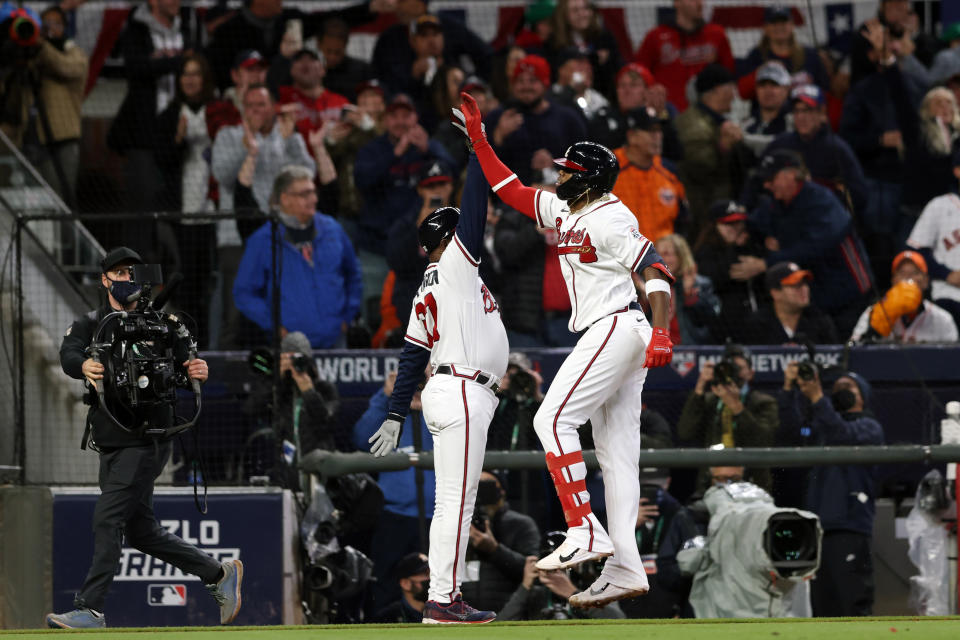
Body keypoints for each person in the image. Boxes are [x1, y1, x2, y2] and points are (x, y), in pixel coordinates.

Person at [457, 91, 676, 608]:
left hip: (617, 325)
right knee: (618, 455)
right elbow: (509, 189)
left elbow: (657, 269)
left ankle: (585, 530)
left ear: (590, 179)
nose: (561, 175)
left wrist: (663, 329)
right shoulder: (564, 206)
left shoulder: (610, 217)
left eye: (570, 170)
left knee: (550, 420)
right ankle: (624, 565)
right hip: (614, 328)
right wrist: (481, 142)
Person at [49, 247, 241, 629]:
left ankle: (90, 608)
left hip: (149, 437)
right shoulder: (92, 323)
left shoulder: (162, 324)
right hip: (111, 439)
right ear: (104, 279)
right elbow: (68, 353)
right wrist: (83, 364)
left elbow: (187, 368)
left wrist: (195, 370)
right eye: (118, 273)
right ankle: (218, 574)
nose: (125, 280)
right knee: (140, 531)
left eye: (131, 273)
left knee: (107, 518)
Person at [366, 146, 508, 623]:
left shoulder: (432, 282)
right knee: (457, 503)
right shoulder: (453, 266)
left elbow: (411, 359)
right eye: (461, 231)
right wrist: (477, 152)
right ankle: (444, 599)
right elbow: (476, 210)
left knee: (452, 501)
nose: (475, 234)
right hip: (464, 391)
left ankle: (444, 597)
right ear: (447, 239)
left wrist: (393, 412)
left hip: (452, 391)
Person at [779, 365, 884, 616]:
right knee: (822, 605)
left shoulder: (869, 427)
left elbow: (841, 434)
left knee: (851, 601)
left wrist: (817, 398)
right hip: (815, 528)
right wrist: (789, 389)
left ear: (862, 396)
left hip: (848, 526)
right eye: (836, 388)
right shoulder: (820, 427)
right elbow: (792, 431)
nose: (840, 391)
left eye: (848, 387)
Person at [746, 149, 874, 337]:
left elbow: (818, 245)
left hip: (848, 294)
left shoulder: (822, 200)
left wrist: (768, 262)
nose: (766, 185)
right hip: (814, 295)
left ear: (791, 175)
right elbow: (756, 222)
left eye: (771, 179)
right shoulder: (776, 203)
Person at [233, 165, 362, 348]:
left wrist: (347, 317)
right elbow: (244, 292)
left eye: (313, 192)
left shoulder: (333, 229)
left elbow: (353, 274)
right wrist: (274, 327)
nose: (314, 199)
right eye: (305, 194)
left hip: (335, 341)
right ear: (285, 199)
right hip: (290, 347)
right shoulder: (263, 240)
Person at [353, 93, 455, 324]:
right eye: (394, 116)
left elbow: (453, 174)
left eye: (406, 116)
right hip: (376, 245)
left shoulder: (429, 148)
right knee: (377, 317)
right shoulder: (374, 149)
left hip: (414, 247)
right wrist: (394, 154)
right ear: (385, 120)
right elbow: (362, 180)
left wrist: (428, 149)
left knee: (417, 313)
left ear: (415, 118)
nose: (400, 121)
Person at [352, 369, 436, 616]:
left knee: (439, 582)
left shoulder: (442, 408)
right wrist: (388, 394)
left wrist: (434, 395)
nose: (417, 384)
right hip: (393, 515)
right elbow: (361, 438)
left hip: (437, 515)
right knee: (386, 583)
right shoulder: (391, 412)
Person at [153, 53, 218, 347]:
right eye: (185, 74)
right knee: (186, 281)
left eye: (196, 73)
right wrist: (177, 141)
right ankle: (188, 344)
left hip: (216, 210)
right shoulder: (170, 115)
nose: (190, 80)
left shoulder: (218, 111)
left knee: (210, 279)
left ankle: (209, 343)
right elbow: (162, 161)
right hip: (183, 214)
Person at [241, 331, 340, 490]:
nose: (294, 365)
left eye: (298, 359)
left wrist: (309, 392)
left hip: (319, 471)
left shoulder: (324, 389)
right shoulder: (281, 391)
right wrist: (277, 378)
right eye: (289, 358)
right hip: (286, 473)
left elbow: (327, 423)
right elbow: (251, 409)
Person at [676, 344, 778, 492]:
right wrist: (700, 387)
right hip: (713, 481)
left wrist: (735, 405)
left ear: (751, 373)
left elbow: (762, 440)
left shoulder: (764, 402)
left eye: (740, 368)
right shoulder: (710, 400)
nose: (735, 372)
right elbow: (685, 432)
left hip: (752, 481)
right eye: (730, 367)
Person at [758, 84, 867, 216]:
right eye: (797, 111)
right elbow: (757, 182)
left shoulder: (837, 149)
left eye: (808, 110)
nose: (801, 117)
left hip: (823, 221)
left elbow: (860, 195)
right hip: (784, 220)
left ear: (822, 113)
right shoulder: (781, 143)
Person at [484, 54, 588, 186]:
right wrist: (498, 136)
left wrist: (555, 164)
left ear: (545, 84)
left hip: (559, 197)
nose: (526, 86)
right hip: (509, 198)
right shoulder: (499, 116)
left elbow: (584, 164)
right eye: (520, 81)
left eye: (533, 81)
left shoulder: (568, 118)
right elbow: (481, 165)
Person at [676, 63, 745, 235]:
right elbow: (698, 170)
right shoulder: (693, 125)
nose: (734, 94)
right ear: (717, 90)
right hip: (702, 210)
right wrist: (723, 147)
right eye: (730, 87)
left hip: (715, 205)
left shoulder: (716, 120)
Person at [460, 471, 541, 613]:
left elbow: (534, 572)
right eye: (475, 486)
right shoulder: (457, 526)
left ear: (501, 491)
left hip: (510, 613)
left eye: (487, 486)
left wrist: (494, 550)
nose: (480, 491)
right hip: (464, 617)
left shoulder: (520, 524)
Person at [634, 0, 734, 111]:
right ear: (677, 2)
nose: (699, 3)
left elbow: (729, 76)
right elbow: (638, 75)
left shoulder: (716, 34)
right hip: (667, 114)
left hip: (706, 114)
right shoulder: (656, 36)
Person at [693, 199, 768, 343]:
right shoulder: (704, 253)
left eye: (738, 222)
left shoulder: (752, 248)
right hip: (721, 328)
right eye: (728, 223)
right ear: (714, 226)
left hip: (752, 325)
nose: (736, 228)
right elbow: (721, 274)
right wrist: (736, 251)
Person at [611, 107, 688, 242]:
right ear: (631, 136)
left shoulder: (669, 171)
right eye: (651, 131)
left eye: (659, 130)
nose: (657, 137)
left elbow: (683, 221)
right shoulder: (609, 170)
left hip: (662, 259)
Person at [850, 250, 958, 344]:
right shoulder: (872, 312)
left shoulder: (942, 319)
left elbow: (952, 361)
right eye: (902, 273)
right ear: (893, 281)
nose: (908, 278)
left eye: (915, 273)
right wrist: (879, 322)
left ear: (925, 281)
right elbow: (855, 352)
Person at [906, 147, 960, 327]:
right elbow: (915, 251)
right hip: (948, 295)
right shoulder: (940, 205)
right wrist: (947, 274)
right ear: (957, 171)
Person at [737, 5, 829, 98]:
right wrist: (763, 70)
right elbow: (743, 93)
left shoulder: (810, 55)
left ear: (792, 24)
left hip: (803, 111)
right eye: (774, 23)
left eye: (783, 22)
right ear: (765, 27)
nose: (779, 27)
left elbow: (825, 90)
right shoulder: (756, 55)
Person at [743, 261, 838, 345]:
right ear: (775, 293)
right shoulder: (756, 325)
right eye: (796, 285)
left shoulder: (821, 322)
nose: (804, 289)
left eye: (805, 283)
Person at [543, 0, 623, 98]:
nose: (582, 14)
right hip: (566, 97)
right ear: (564, 15)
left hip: (601, 95)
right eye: (575, 11)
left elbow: (616, 69)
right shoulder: (554, 42)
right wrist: (595, 59)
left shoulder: (605, 38)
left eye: (585, 8)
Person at [652, 233, 721, 345]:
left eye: (667, 254)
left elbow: (711, 317)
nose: (661, 259)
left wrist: (689, 295)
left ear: (681, 256)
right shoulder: (648, 284)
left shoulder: (700, 283)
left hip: (690, 349)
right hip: (654, 350)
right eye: (657, 254)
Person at [277, 49, 349, 142]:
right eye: (299, 59)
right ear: (291, 70)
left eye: (312, 59)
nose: (305, 63)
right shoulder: (281, 96)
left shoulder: (340, 102)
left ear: (323, 69)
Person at [737, 61, 793, 160]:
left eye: (774, 85)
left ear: (786, 89)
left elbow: (787, 142)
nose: (768, 90)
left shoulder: (794, 122)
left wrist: (743, 138)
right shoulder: (745, 124)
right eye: (762, 85)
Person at [372, 552, 431, 623]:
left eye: (432, 573)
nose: (430, 578)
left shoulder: (444, 612)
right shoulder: (388, 618)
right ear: (405, 584)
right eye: (425, 574)